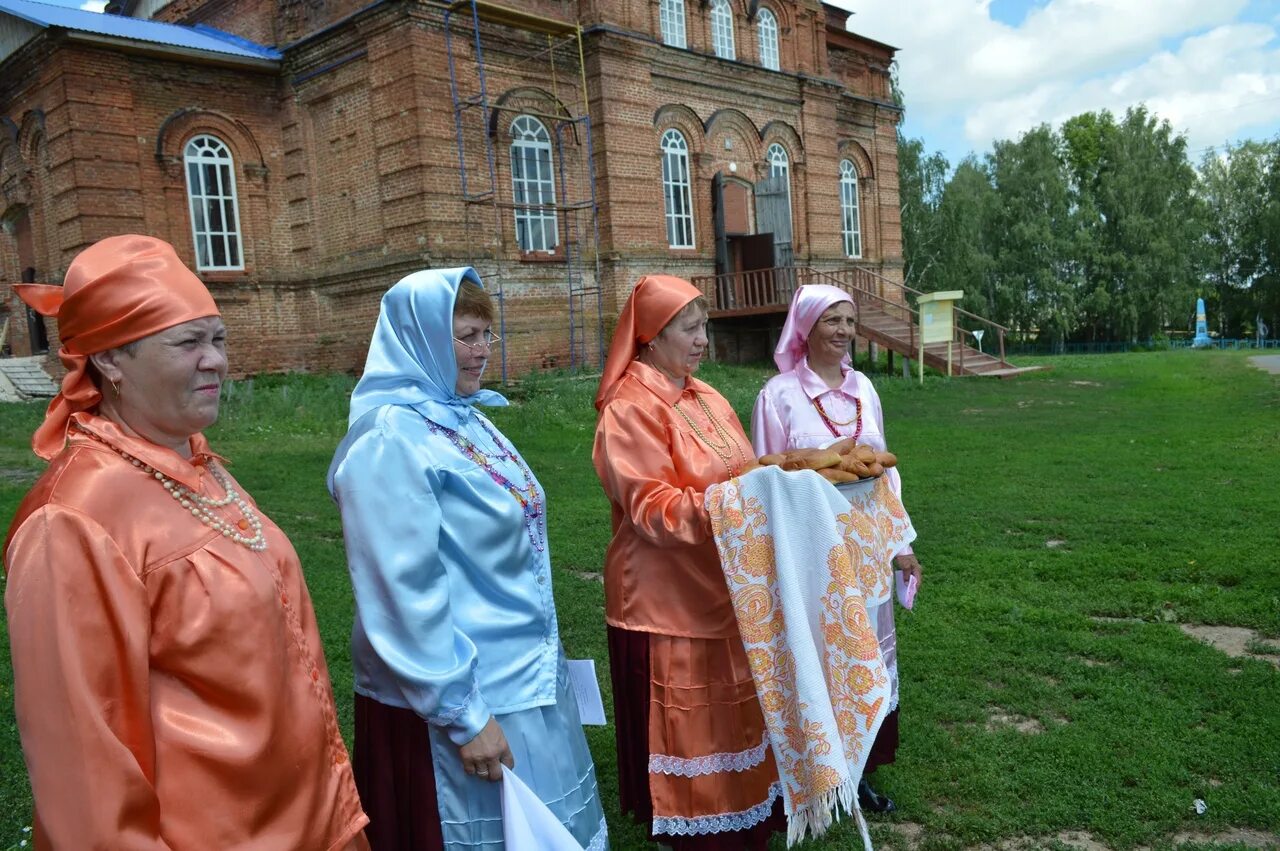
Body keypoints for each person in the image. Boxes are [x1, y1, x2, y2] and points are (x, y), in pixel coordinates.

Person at [3, 235, 369, 849]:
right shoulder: (73, 520)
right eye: (188, 342)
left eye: (218, 339)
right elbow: (85, 780)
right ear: (112, 360)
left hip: (309, 821)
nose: (216, 361)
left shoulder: (198, 466)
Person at [327, 267, 607, 851]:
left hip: (520, 674)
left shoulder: (464, 416)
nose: (482, 351)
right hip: (457, 694)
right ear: (420, 338)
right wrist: (463, 714)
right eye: (466, 335)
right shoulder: (390, 440)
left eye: (487, 334)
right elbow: (403, 594)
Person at [593, 274, 784, 850]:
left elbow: (742, 473)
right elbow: (652, 508)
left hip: (723, 583)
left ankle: (739, 809)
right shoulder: (629, 409)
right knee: (687, 722)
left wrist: (781, 478)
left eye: (704, 326)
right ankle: (695, 824)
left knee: (730, 715)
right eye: (690, 328)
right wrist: (741, 504)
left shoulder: (707, 396)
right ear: (651, 336)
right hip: (663, 599)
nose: (703, 340)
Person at [750, 283, 923, 813]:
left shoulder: (865, 388)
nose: (844, 331)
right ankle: (817, 770)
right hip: (813, 542)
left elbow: (886, 478)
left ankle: (861, 771)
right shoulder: (777, 394)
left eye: (850, 321)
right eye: (833, 321)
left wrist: (902, 542)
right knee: (823, 651)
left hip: (868, 544)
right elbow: (765, 477)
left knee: (865, 651)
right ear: (806, 329)